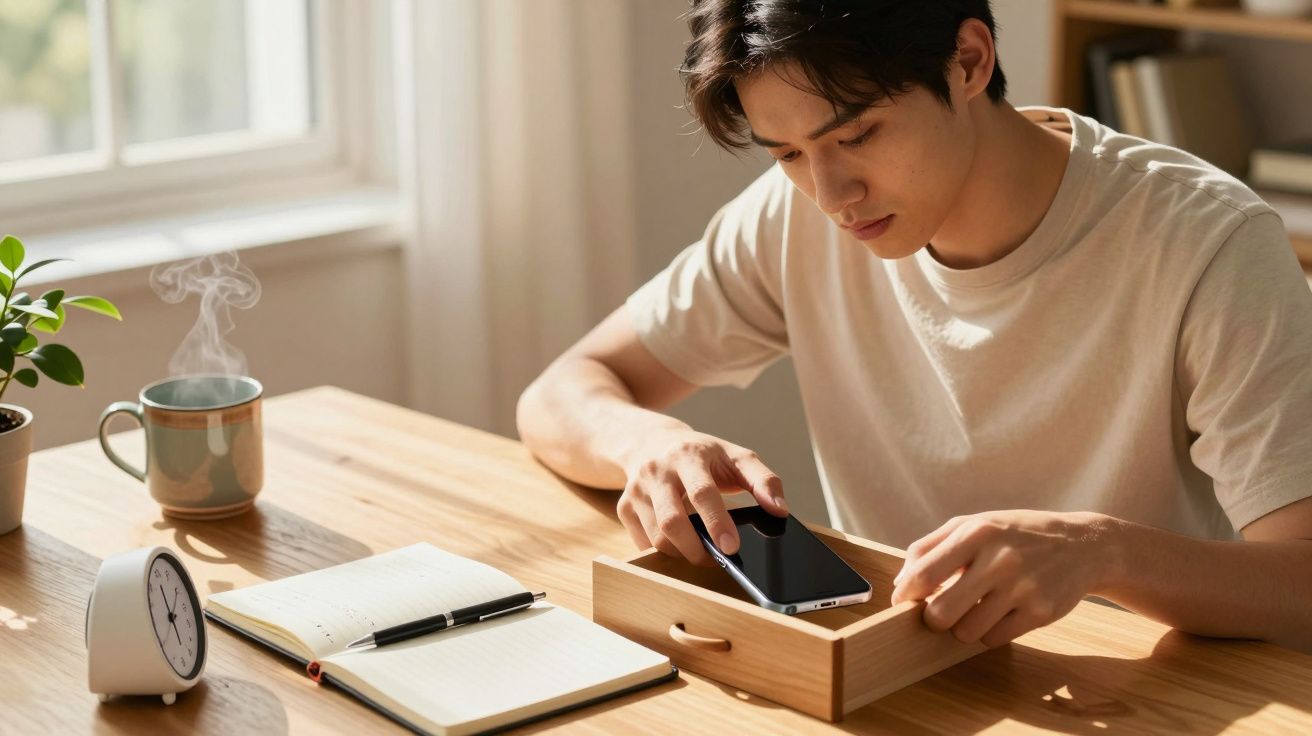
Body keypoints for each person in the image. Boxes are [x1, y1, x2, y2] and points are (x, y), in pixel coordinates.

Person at [516, 0, 1312, 651]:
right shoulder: (791, 221)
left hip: (1139, 693)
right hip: (888, 672)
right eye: (786, 154)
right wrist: (645, 445)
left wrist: (1103, 551)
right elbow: (561, 394)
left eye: (856, 134)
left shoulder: (1208, 243)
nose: (831, 194)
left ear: (969, 61)